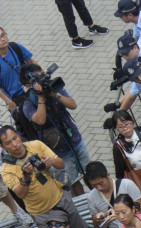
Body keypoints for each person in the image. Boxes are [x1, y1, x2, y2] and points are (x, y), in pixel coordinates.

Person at [0, 126, 85, 228]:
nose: (15, 144)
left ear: (19, 136)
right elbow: (20, 194)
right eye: (8, 143)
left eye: (15, 138)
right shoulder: (6, 169)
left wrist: (52, 161)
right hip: (42, 213)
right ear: (2, 147)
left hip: (62, 199)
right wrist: (26, 176)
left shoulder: (36, 145)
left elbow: (61, 164)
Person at [19, 63, 90, 195]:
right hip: (59, 152)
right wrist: (41, 97)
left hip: (76, 141)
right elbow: (41, 120)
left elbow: (73, 105)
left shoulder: (53, 88)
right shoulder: (27, 104)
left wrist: (54, 94)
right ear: (28, 85)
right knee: (71, 183)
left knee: (90, 175)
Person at [85, 161, 141, 228]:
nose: (99, 188)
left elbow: (140, 212)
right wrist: (98, 219)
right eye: (94, 185)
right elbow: (95, 225)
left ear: (108, 175)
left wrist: (119, 215)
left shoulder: (127, 185)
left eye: (101, 183)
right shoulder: (91, 197)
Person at [0, 28, 36, 111]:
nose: (3, 39)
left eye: (3, 35)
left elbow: (31, 61)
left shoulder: (15, 47)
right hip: (16, 98)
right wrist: (9, 102)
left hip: (31, 87)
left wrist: (42, 75)